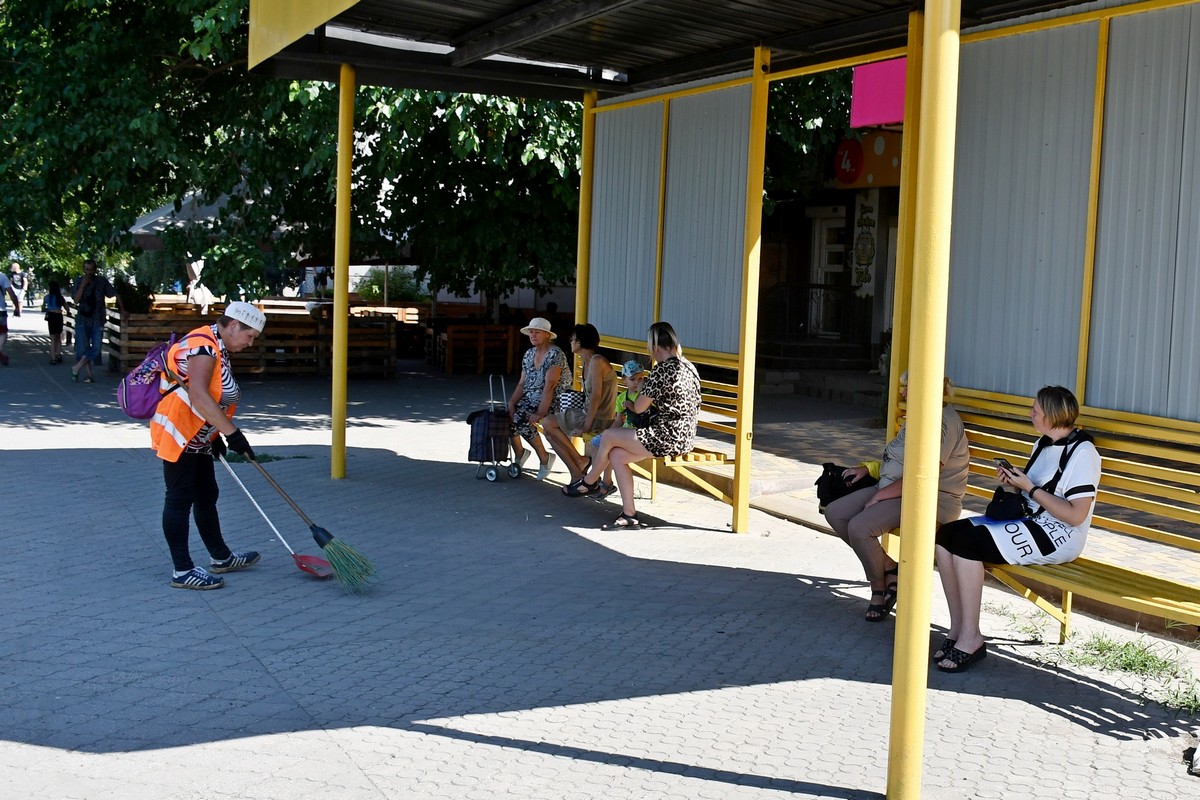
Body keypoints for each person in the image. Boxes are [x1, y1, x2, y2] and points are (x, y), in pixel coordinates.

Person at [932, 385, 1100, 673]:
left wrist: (1029, 487)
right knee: (946, 536)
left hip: (1058, 535)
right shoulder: (1044, 443)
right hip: (1031, 521)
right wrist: (1013, 483)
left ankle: (972, 637)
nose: (1030, 414)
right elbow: (1030, 493)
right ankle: (958, 628)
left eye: (1035, 411)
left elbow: (1075, 516)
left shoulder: (1084, 453)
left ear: (1052, 415)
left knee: (968, 543)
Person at [823, 374, 970, 622]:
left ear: (925, 389)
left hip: (931, 499)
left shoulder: (942, 422)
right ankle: (891, 568)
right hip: (898, 488)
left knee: (860, 528)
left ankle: (878, 589)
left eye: (907, 388)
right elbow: (900, 463)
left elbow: (924, 475)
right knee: (835, 512)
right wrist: (868, 469)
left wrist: (879, 496)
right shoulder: (920, 415)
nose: (902, 394)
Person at [150, 302, 267, 590]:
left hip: (200, 436)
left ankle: (221, 557)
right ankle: (182, 570)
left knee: (206, 494)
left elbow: (212, 396)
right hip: (182, 434)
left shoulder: (217, 345)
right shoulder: (202, 345)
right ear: (233, 326)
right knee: (179, 499)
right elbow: (200, 397)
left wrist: (214, 436)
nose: (250, 343)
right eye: (249, 335)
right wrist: (232, 434)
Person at [563, 322, 701, 530]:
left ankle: (589, 482)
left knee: (609, 436)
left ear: (654, 347)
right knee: (617, 455)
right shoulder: (688, 366)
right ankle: (629, 514)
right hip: (684, 435)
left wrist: (638, 395)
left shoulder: (661, 371)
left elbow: (638, 407)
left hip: (666, 436)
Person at [542, 323, 616, 485]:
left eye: (572, 338)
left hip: (598, 418)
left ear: (580, 342)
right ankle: (577, 471)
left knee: (548, 423)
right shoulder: (587, 362)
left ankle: (579, 464)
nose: (570, 341)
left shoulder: (597, 361)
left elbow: (596, 396)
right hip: (588, 413)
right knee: (549, 432)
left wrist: (586, 426)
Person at [508, 316, 571, 481]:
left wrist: (540, 412)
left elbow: (550, 386)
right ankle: (520, 453)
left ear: (547, 335)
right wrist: (512, 402)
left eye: (537, 332)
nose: (533, 335)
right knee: (507, 415)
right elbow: (522, 383)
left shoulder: (555, 354)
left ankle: (544, 458)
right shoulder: (529, 354)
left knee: (522, 418)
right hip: (531, 398)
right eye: (531, 332)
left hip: (553, 400)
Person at [592, 360, 647, 498]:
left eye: (640, 379)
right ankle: (603, 481)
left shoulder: (645, 396)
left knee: (611, 448)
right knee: (600, 443)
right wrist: (609, 434)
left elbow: (643, 412)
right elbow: (618, 420)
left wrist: (634, 403)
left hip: (640, 434)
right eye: (632, 379)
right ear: (624, 380)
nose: (637, 382)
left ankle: (596, 481)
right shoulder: (622, 398)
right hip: (626, 433)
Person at [70, 258, 122, 382]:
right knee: (83, 349)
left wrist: (123, 309)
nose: (89, 272)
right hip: (83, 319)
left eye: (91, 270)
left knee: (97, 348)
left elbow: (114, 293)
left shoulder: (101, 281)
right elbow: (76, 300)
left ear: (95, 270)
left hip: (97, 319)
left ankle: (76, 367)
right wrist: (83, 285)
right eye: (86, 270)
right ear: (83, 269)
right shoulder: (78, 281)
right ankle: (89, 375)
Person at [41, 281, 68, 364]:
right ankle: (59, 354)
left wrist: (47, 308)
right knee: (58, 337)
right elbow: (67, 308)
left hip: (51, 316)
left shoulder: (46, 297)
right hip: (59, 316)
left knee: (52, 338)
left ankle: (53, 358)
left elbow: (43, 308)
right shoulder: (60, 298)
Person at [0, 269, 18, 366]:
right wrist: (17, 307)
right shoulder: (2, 277)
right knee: (3, 332)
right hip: (1, 310)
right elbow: (11, 294)